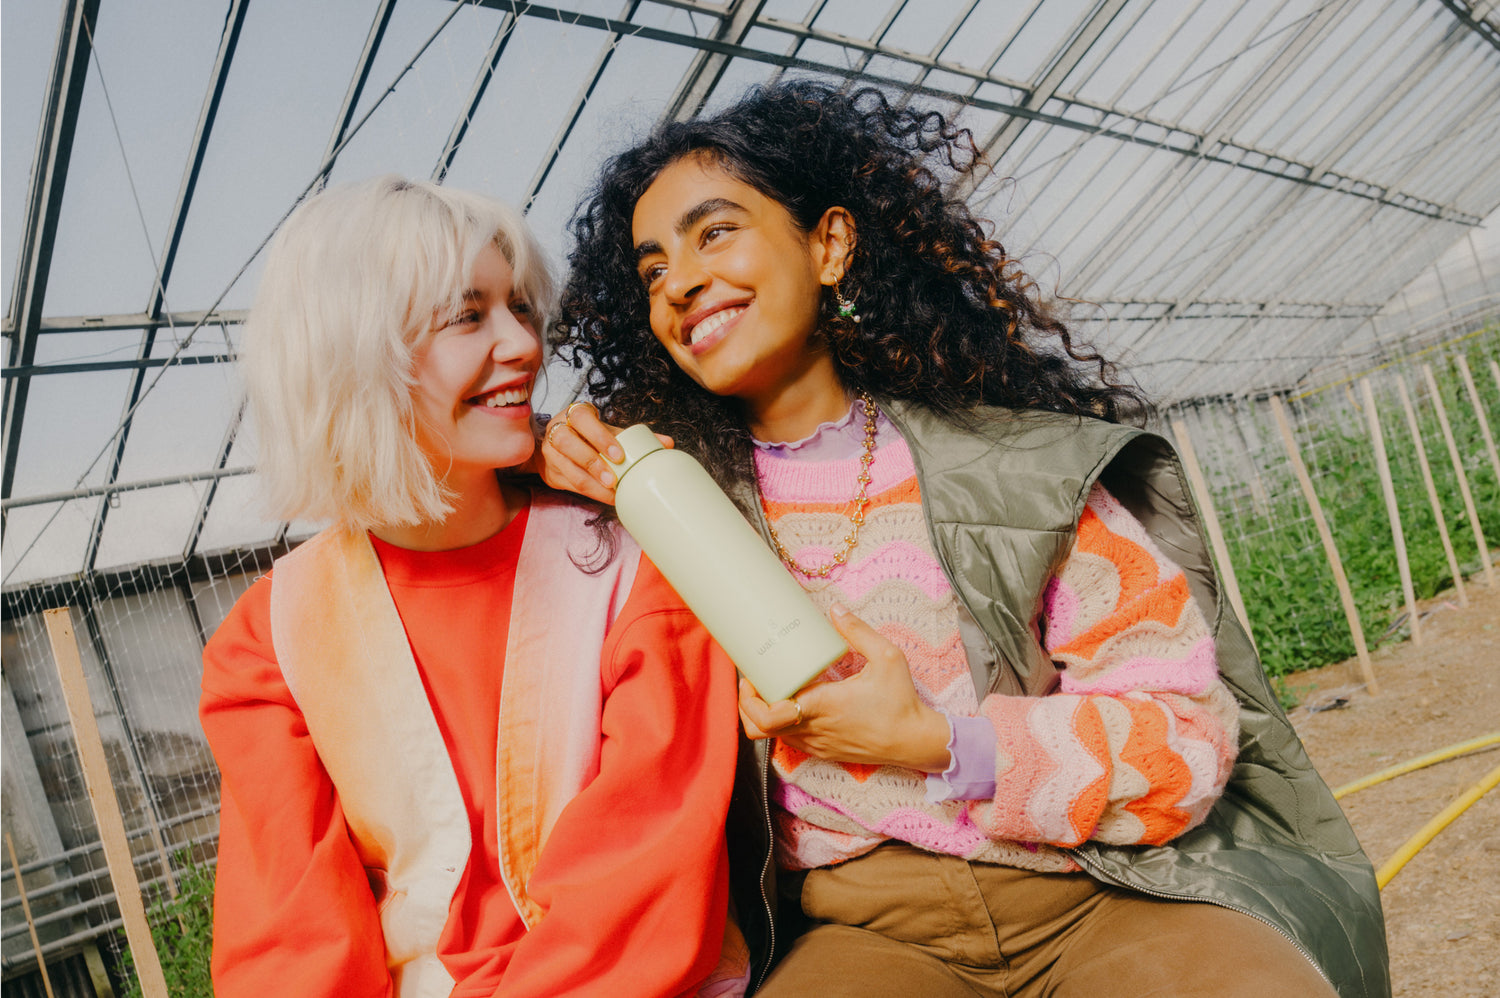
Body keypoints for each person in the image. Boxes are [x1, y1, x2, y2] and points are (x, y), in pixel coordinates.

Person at [541, 82, 1389, 998]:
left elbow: (1184, 740)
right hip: (864, 930)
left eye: (715, 233)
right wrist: (541, 451)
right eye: (653, 267)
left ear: (828, 245)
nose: (683, 281)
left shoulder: (1022, 473)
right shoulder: (672, 504)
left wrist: (939, 741)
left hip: (1100, 894)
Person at [198, 175, 747, 997]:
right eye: (467, 316)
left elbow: (646, 885)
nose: (526, 345)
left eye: (520, 307)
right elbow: (290, 941)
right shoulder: (266, 641)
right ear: (353, 360)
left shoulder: (633, 557)